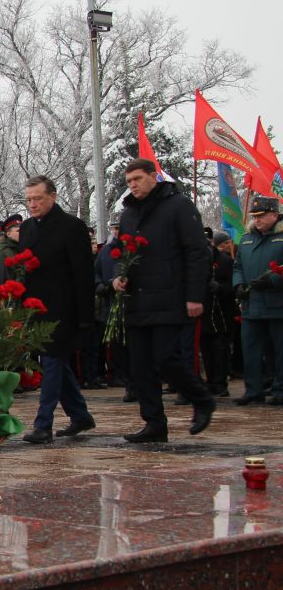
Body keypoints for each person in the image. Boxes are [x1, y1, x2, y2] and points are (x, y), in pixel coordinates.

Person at [111, 159, 214, 443]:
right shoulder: (129, 213)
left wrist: (195, 296)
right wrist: (120, 276)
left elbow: (197, 253)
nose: (133, 184)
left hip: (170, 296)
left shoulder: (178, 205)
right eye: (129, 180)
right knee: (141, 366)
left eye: (138, 179)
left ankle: (201, 398)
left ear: (153, 177)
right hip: (138, 301)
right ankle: (154, 423)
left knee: (166, 358)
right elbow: (123, 253)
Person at [16, 176, 96, 444]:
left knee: (51, 365)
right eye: (28, 200)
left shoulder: (72, 227)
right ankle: (80, 415)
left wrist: (85, 317)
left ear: (53, 196)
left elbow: (83, 275)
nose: (32, 204)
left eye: (37, 199)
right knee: (56, 366)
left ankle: (43, 424)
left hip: (63, 309)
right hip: (35, 309)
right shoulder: (27, 228)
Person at [232, 196, 283, 405]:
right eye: (255, 216)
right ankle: (253, 390)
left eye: (261, 215)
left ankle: (280, 391)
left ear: (274, 214)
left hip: (277, 304)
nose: (257, 220)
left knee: (280, 352)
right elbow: (238, 267)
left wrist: (272, 281)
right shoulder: (246, 239)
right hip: (251, 305)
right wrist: (239, 285)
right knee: (250, 350)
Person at [95, 222, 133, 401]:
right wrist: (105, 285)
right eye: (114, 228)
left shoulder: (133, 248)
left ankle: (135, 382)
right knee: (116, 346)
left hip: (132, 305)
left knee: (134, 346)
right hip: (111, 304)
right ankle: (125, 379)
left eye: (120, 228)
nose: (117, 231)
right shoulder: (105, 252)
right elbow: (95, 274)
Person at [201, 230, 236, 397]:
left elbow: (233, 286)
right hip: (203, 311)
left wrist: (220, 287)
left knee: (220, 349)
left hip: (222, 312)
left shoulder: (225, 261)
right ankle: (210, 381)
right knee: (206, 349)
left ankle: (220, 383)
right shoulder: (195, 261)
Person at [0, 215, 22, 284]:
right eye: (18, 231)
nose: (22, 233)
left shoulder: (25, 247)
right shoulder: (0, 254)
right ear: (8, 234)